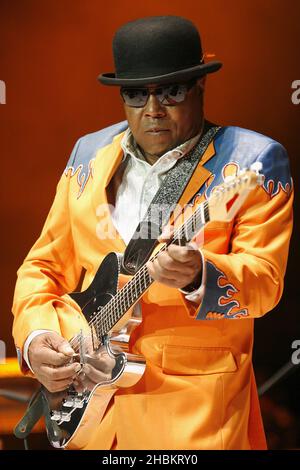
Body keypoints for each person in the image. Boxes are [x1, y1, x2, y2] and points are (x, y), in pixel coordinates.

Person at [12, 16, 293, 450]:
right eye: (135, 94)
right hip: (93, 413)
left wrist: (199, 273)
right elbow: (42, 265)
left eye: (171, 91)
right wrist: (34, 338)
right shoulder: (88, 154)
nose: (153, 109)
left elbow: (265, 281)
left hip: (194, 419)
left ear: (200, 86)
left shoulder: (252, 161)